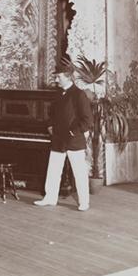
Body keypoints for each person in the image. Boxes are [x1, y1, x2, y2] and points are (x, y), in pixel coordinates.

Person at [34, 59, 93, 211]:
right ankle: (50, 198)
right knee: (53, 170)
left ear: (68, 76)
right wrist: (50, 126)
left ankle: (84, 202)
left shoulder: (79, 94)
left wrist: (73, 132)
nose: (56, 80)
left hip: (74, 141)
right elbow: (52, 114)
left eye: (58, 77)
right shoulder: (58, 94)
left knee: (79, 173)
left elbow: (87, 120)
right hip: (58, 139)